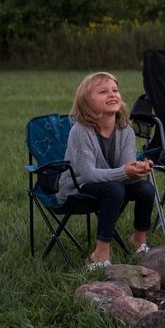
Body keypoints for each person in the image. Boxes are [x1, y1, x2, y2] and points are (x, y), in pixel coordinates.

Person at [55, 72, 155, 268]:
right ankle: (100, 254)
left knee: (145, 189)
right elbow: (89, 175)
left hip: (111, 185)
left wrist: (137, 170)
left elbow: (126, 174)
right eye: (103, 92)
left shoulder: (125, 130)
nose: (112, 95)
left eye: (115, 90)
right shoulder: (80, 131)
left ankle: (139, 240)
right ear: (86, 103)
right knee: (114, 189)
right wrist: (125, 171)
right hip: (77, 187)